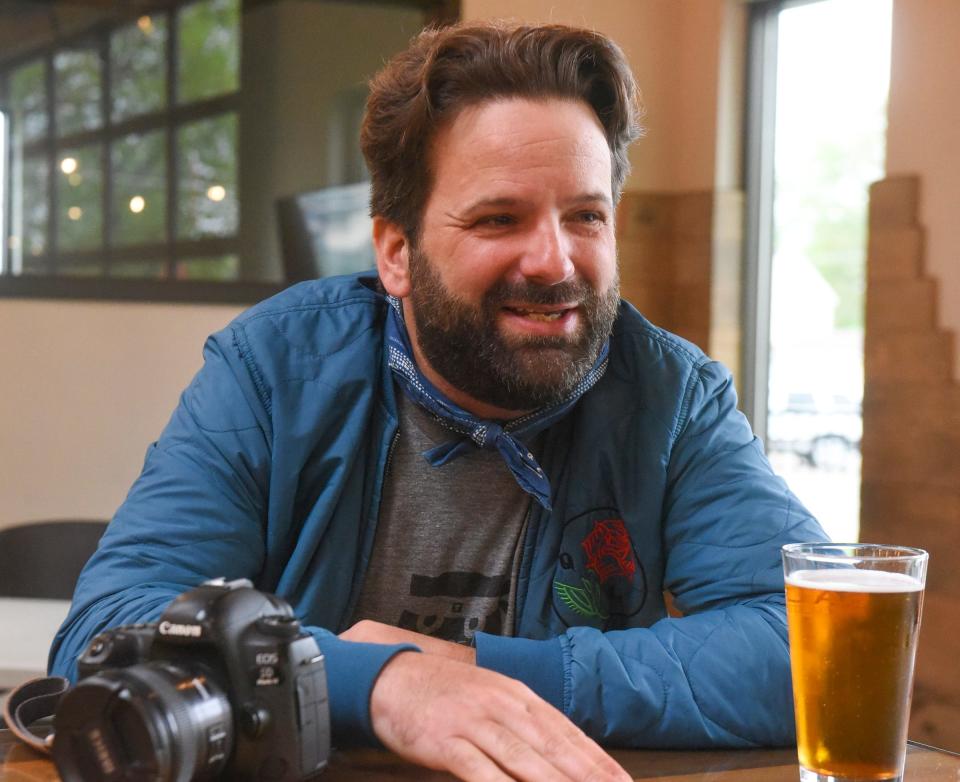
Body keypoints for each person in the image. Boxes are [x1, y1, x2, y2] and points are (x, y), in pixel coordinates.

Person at [51, 20, 826, 782]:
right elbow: (106, 630)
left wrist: (498, 676)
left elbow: (808, 646)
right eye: (499, 218)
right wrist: (379, 683)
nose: (556, 261)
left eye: (586, 215)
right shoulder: (272, 369)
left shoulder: (673, 397)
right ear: (395, 251)